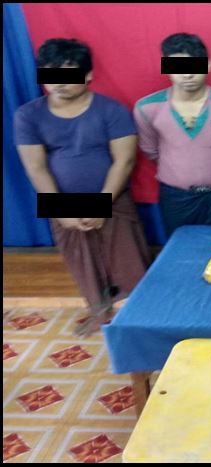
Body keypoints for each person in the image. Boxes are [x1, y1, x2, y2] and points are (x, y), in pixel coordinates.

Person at [14, 38, 151, 337]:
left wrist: (101, 205)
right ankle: (99, 313)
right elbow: (35, 167)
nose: (59, 83)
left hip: (112, 198)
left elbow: (124, 161)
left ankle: (140, 319)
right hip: (62, 203)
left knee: (128, 261)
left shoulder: (111, 110)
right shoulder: (28, 115)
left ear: (88, 74)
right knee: (82, 263)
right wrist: (60, 210)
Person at [134, 33, 211, 237]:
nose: (187, 74)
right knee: (181, 248)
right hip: (176, 198)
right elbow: (151, 150)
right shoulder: (147, 108)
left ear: (208, 65)